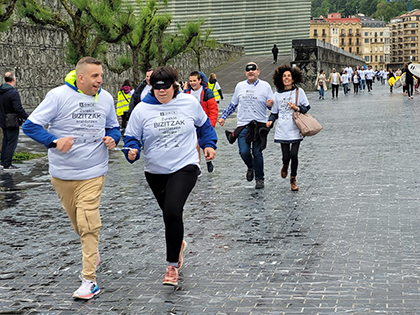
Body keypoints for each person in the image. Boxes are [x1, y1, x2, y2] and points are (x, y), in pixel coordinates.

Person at [22, 57, 121, 299]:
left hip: (94, 171)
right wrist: (54, 141)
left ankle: (89, 280)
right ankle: (92, 249)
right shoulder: (58, 96)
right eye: (95, 76)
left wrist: (113, 139)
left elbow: (113, 127)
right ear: (81, 78)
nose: (100, 80)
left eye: (101, 75)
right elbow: (30, 126)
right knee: (79, 224)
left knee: (88, 223)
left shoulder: (106, 98)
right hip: (62, 175)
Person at [123, 66, 217, 286]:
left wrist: (209, 145)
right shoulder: (141, 110)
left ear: (175, 86)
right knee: (169, 215)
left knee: (173, 211)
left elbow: (204, 127)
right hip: (155, 171)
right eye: (157, 89)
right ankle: (178, 244)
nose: (162, 92)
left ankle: (172, 266)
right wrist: (132, 151)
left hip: (185, 165)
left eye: (166, 88)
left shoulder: (188, 102)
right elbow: (131, 139)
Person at [219, 62, 274, 189]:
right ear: (245, 73)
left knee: (257, 152)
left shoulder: (265, 86)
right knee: (243, 151)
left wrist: (270, 105)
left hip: (259, 124)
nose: (251, 72)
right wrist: (223, 116)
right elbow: (233, 104)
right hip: (243, 125)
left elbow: (271, 106)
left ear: (258, 72)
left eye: (253, 69)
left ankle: (260, 178)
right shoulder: (240, 86)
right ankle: (250, 166)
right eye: (248, 70)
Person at [266, 64, 310, 191]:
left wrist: (296, 108)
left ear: (293, 78)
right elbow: (274, 113)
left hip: (296, 128)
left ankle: (293, 178)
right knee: (286, 156)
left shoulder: (298, 92)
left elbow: (306, 107)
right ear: (280, 78)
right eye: (284, 76)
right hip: (282, 129)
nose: (286, 78)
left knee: (294, 154)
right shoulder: (277, 95)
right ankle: (285, 165)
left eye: (289, 76)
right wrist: (270, 121)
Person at [184, 71, 218, 173]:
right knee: (195, 146)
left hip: (204, 123)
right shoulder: (186, 94)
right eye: (190, 81)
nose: (192, 83)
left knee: (204, 144)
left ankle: (208, 161)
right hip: (192, 124)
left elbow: (213, 109)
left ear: (200, 80)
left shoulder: (207, 92)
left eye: (194, 80)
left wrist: (211, 125)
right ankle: (197, 167)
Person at [0, 72, 28, 170]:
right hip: (12, 121)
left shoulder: (1, 91)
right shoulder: (13, 92)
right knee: (11, 142)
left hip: (3, 120)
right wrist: (27, 118)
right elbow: (18, 108)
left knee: (5, 141)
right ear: (14, 79)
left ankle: (3, 161)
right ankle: (7, 164)